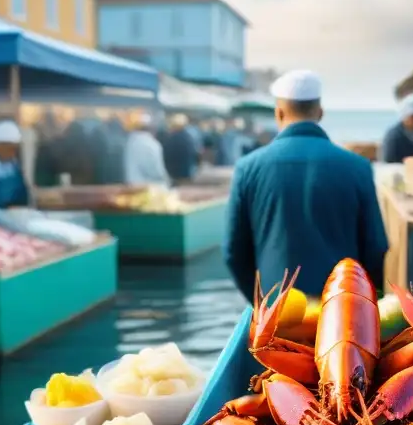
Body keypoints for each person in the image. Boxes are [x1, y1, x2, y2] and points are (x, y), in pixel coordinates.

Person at [224, 69, 389, 299]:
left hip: (277, 315)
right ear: (320, 113)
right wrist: (368, 301)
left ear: (279, 113)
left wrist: (261, 303)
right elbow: (376, 247)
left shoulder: (248, 168)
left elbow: (233, 253)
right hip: (341, 312)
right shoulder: (358, 167)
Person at [124, 111, 170, 187]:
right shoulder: (151, 145)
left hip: (131, 185)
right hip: (149, 188)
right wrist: (167, 180)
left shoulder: (129, 141)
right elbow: (156, 171)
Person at [161, 115, 201, 181]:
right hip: (187, 174)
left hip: (172, 175)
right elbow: (195, 155)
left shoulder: (169, 139)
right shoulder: (189, 138)